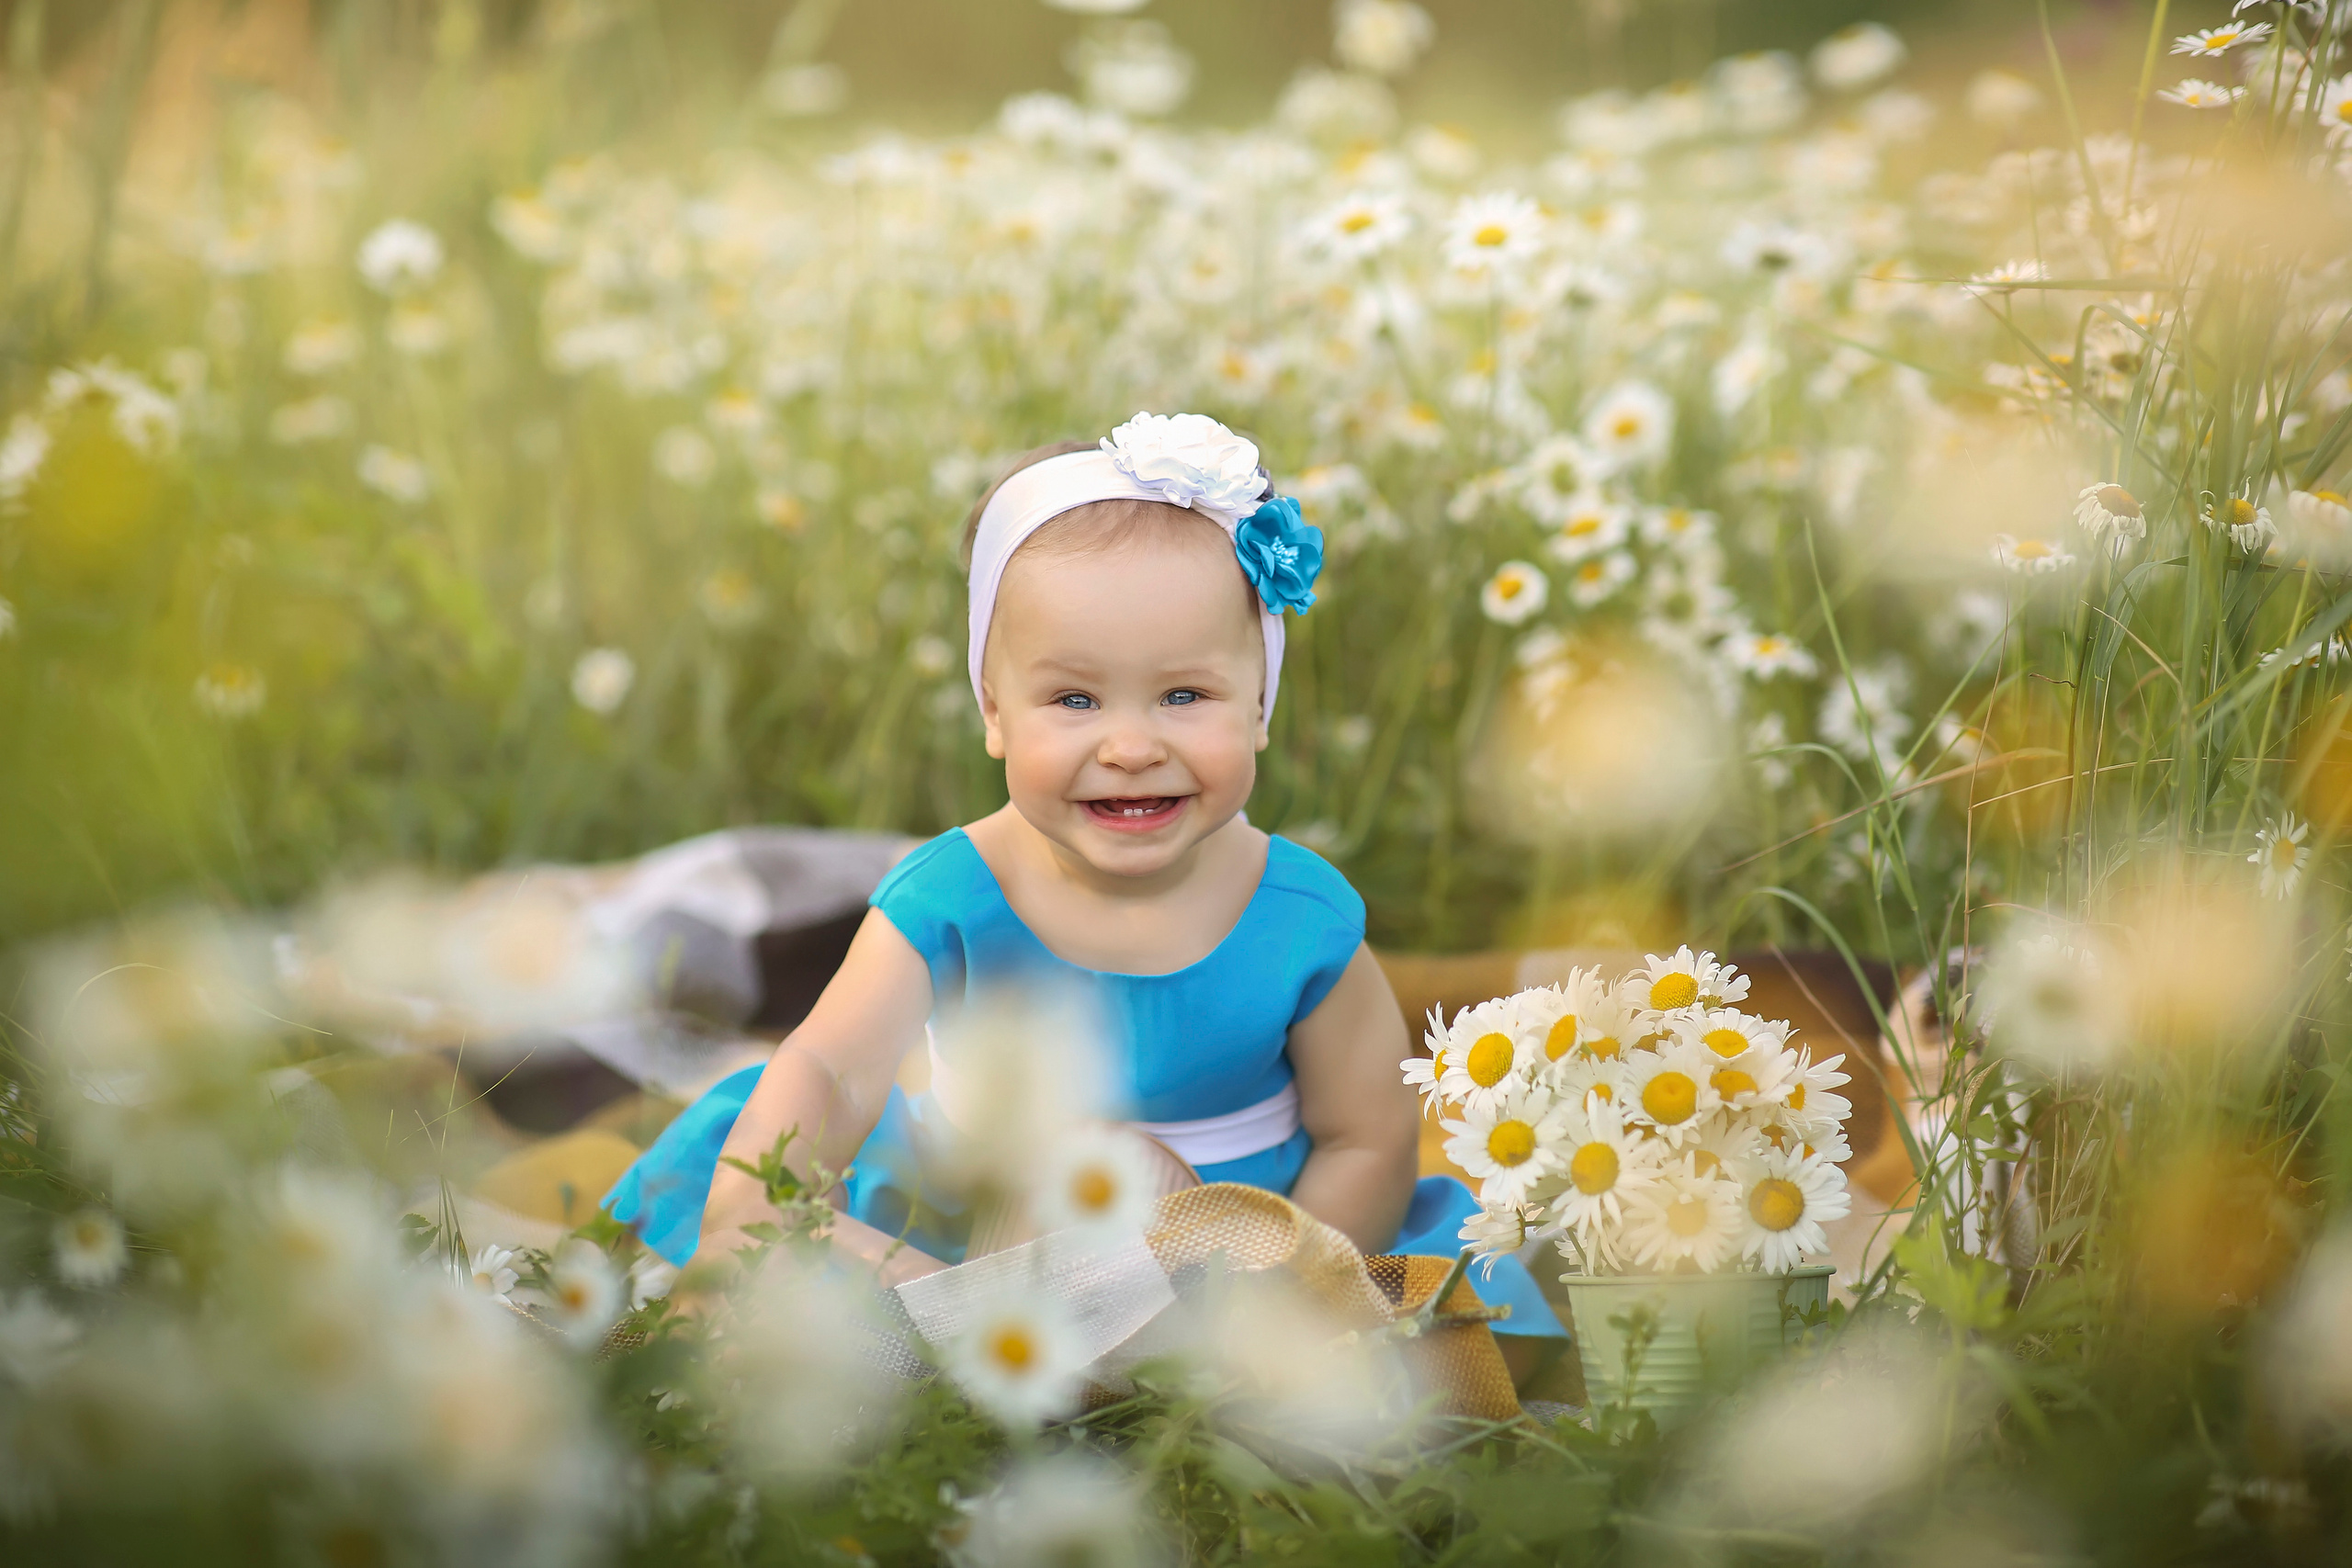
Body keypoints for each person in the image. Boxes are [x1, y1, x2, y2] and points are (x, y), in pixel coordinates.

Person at [604, 412, 1563, 1344]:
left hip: (1233, 1247)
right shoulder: (950, 899)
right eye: (1073, 699)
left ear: (1260, 706)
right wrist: (757, 1205)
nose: (1131, 746)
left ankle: (1154, 1360)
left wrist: (1290, 1297)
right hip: (962, 1224)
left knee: (1416, 1347)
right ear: (994, 712)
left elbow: (1368, 1135)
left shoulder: (1300, 920)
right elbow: (829, 1069)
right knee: (804, 1295)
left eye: (1184, 695)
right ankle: (951, 1340)